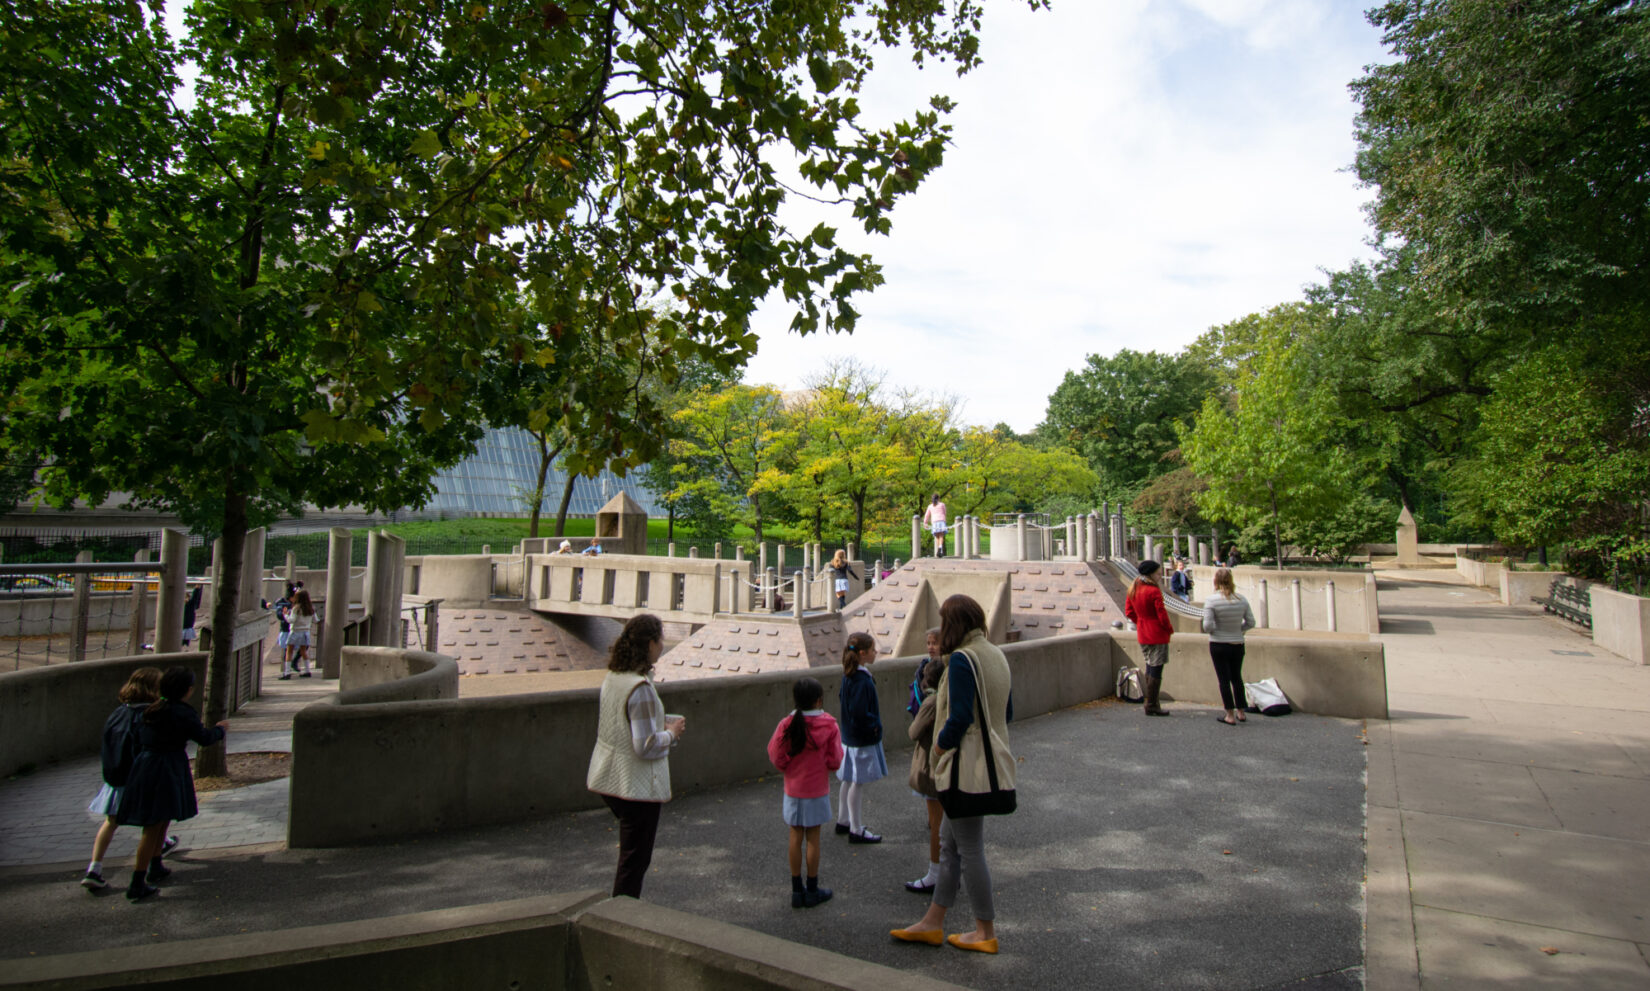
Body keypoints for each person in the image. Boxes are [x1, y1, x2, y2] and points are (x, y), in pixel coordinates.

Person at [892, 594, 1013, 954]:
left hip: (964, 769)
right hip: (984, 763)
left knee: (969, 848)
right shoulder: (996, 654)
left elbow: (958, 717)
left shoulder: (962, 660)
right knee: (949, 845)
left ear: (953, 625)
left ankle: (984, 930)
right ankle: (933, 922)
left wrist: (941, 747)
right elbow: (1005, 712)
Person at [586, 614, 684, 898]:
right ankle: (620, 918)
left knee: (632, 856)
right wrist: (672, 733)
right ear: (651, 644)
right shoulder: (640, 689)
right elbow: (645, 745)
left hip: (609, 777)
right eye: (661, 640)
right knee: (635, 861)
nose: (662, 645)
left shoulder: (613, 678)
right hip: (635, 785)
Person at [116, 666, 228, 901]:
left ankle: (155, 864)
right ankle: (137, 880)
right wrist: (219, 730)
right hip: (167, 767)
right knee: (154, 825)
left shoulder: (150, 710)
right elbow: (204, 738)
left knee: (160, 819)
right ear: (187, 690)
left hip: (146, 765)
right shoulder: (181, 713)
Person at [81, 666, 177, 890]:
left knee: (110, 822)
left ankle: (94, 867)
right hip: (141, 781)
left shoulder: (118, 713)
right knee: (153, 824)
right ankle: (150, 864)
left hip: (116, 780)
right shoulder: (150, 716)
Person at [766, 676, 843, 909]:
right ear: (819, 700)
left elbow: (775, 755)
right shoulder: (829, 725)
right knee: (813, 840)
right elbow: (836, 760)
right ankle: (812, 888)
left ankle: (795, 890)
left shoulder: (786, 724)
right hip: (816, 790)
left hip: (793, 789)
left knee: (795, 837)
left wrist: (788, 768)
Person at [834, 632, 886, 843]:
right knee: (857, 781)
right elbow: (860, 712)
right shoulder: (862, 681)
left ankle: (843, 820)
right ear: (863, 654)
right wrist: (873, 726)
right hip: (861, 739)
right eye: (873, 650)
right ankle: (856, 828)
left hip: (849, 737)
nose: (876, 653)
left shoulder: (849, 675)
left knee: (847, 779)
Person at [903, 655, 945, 894]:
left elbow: (913, 732)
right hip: (946, 766)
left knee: (935, 824)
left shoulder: (931, 702)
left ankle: (935, 873)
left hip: (930, 766)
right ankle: (949, 871)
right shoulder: (949, 698)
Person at [1202, 567, 1257, 726]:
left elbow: (1207, 626)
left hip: (1218, 643)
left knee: (1223, 680)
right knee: (1236, 677)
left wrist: (1218, 629)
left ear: (1215, 581)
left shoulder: (1212, 601)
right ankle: (1241, 711)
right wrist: (1238, 630)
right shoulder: (1241, 599)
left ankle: (1229, 714)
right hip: (1237, 643)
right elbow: (1251, 622)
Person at [1125, 559, 1174, 717]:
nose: (1160, 576)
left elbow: (1129, 612)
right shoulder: (1153, 591)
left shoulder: (1134, 589)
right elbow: (1162, 614)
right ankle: (1152, 704)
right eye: (1158, 573)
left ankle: (1152, 702)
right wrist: (1168, 629)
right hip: (1157, 633)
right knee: (1157, 669)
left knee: (1149, 666)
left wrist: (1140, 622)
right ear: (1151, 574)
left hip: (1143, 632)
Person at [906, 627, 942, 716]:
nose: (930, 647)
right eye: (928, 643)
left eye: (934, 643)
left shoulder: (944, 665)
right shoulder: (924, 665)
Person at [285, 589, 315, 678]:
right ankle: (307, 670)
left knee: (289, 651)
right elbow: (316, 619)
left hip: (295, 631)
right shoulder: (311, 608)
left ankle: (287, 673)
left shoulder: (296, 608)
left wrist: (285, 615)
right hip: (306, 632)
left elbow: (291, 620)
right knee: (303, 651)